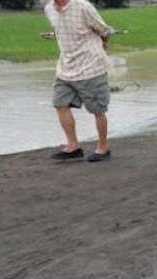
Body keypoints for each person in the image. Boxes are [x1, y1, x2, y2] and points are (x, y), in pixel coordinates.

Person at [43, 0, 114, 162]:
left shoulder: (83, 6)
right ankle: (73, 146)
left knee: (98, 109)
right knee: (60, 103)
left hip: (91, 66)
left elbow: (104, 30)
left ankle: (103, 148)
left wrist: (104, 43)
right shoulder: (49, 9)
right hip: (65, 67)